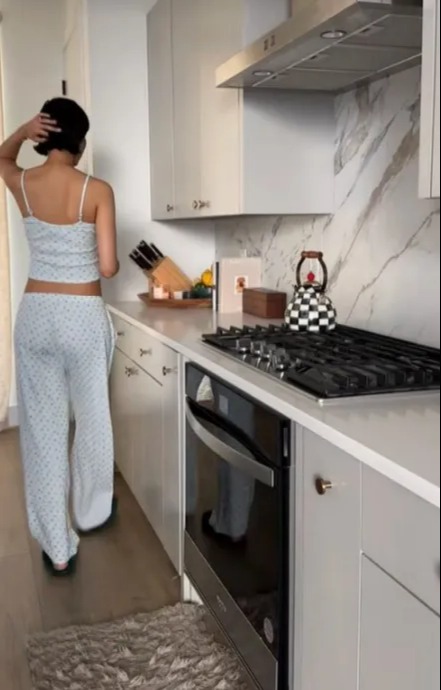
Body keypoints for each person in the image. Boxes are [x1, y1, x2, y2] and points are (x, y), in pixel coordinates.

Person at [0, 98, 119, 576]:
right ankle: (91, 514)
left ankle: (58, 547)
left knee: (43, 432)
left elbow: (2, 158)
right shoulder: (97, 189)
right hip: (82, 315)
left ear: (43, 136)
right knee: (92, 420)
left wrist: (20, 131)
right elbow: (108, 266)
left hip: (36, 316)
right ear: (81, 143)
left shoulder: (24, 182)